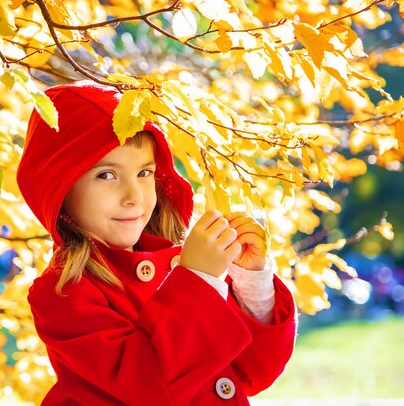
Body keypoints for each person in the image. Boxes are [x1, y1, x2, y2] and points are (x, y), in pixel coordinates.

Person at [17, 80, 297, 405]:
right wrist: (199, 282)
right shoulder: (65, 294)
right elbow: (148, 388)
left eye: (144, 173)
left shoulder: (179, 264)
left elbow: (253, 372)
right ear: (61, 191)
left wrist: (252, 286)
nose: (134, 196)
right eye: (106, 175)